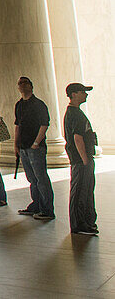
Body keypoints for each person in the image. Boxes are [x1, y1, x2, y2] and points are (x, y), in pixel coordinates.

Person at [15, 75, 55, 221]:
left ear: (31, 86)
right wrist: (16, 144)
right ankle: (36, 205)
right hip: (24, 147)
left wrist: (36, 143)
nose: (22, 85)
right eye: (20, 83)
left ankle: (47, 209)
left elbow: (45, 124)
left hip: (35, 147)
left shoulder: (38, 104)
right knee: (32, 178)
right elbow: (18, 125)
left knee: (41, 178)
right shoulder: (19, 104)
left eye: (25, 83)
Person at [63, 82, 99, 236]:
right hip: (81, 160)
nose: (86, 94)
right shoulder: (75, 114)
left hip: (81, 159)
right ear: (74, 94)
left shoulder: (73, 113)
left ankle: (87, 222)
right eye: (83, 91)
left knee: (85, 190)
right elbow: (77, 138)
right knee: (80, 191)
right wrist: (85, 159)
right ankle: (79, 225)